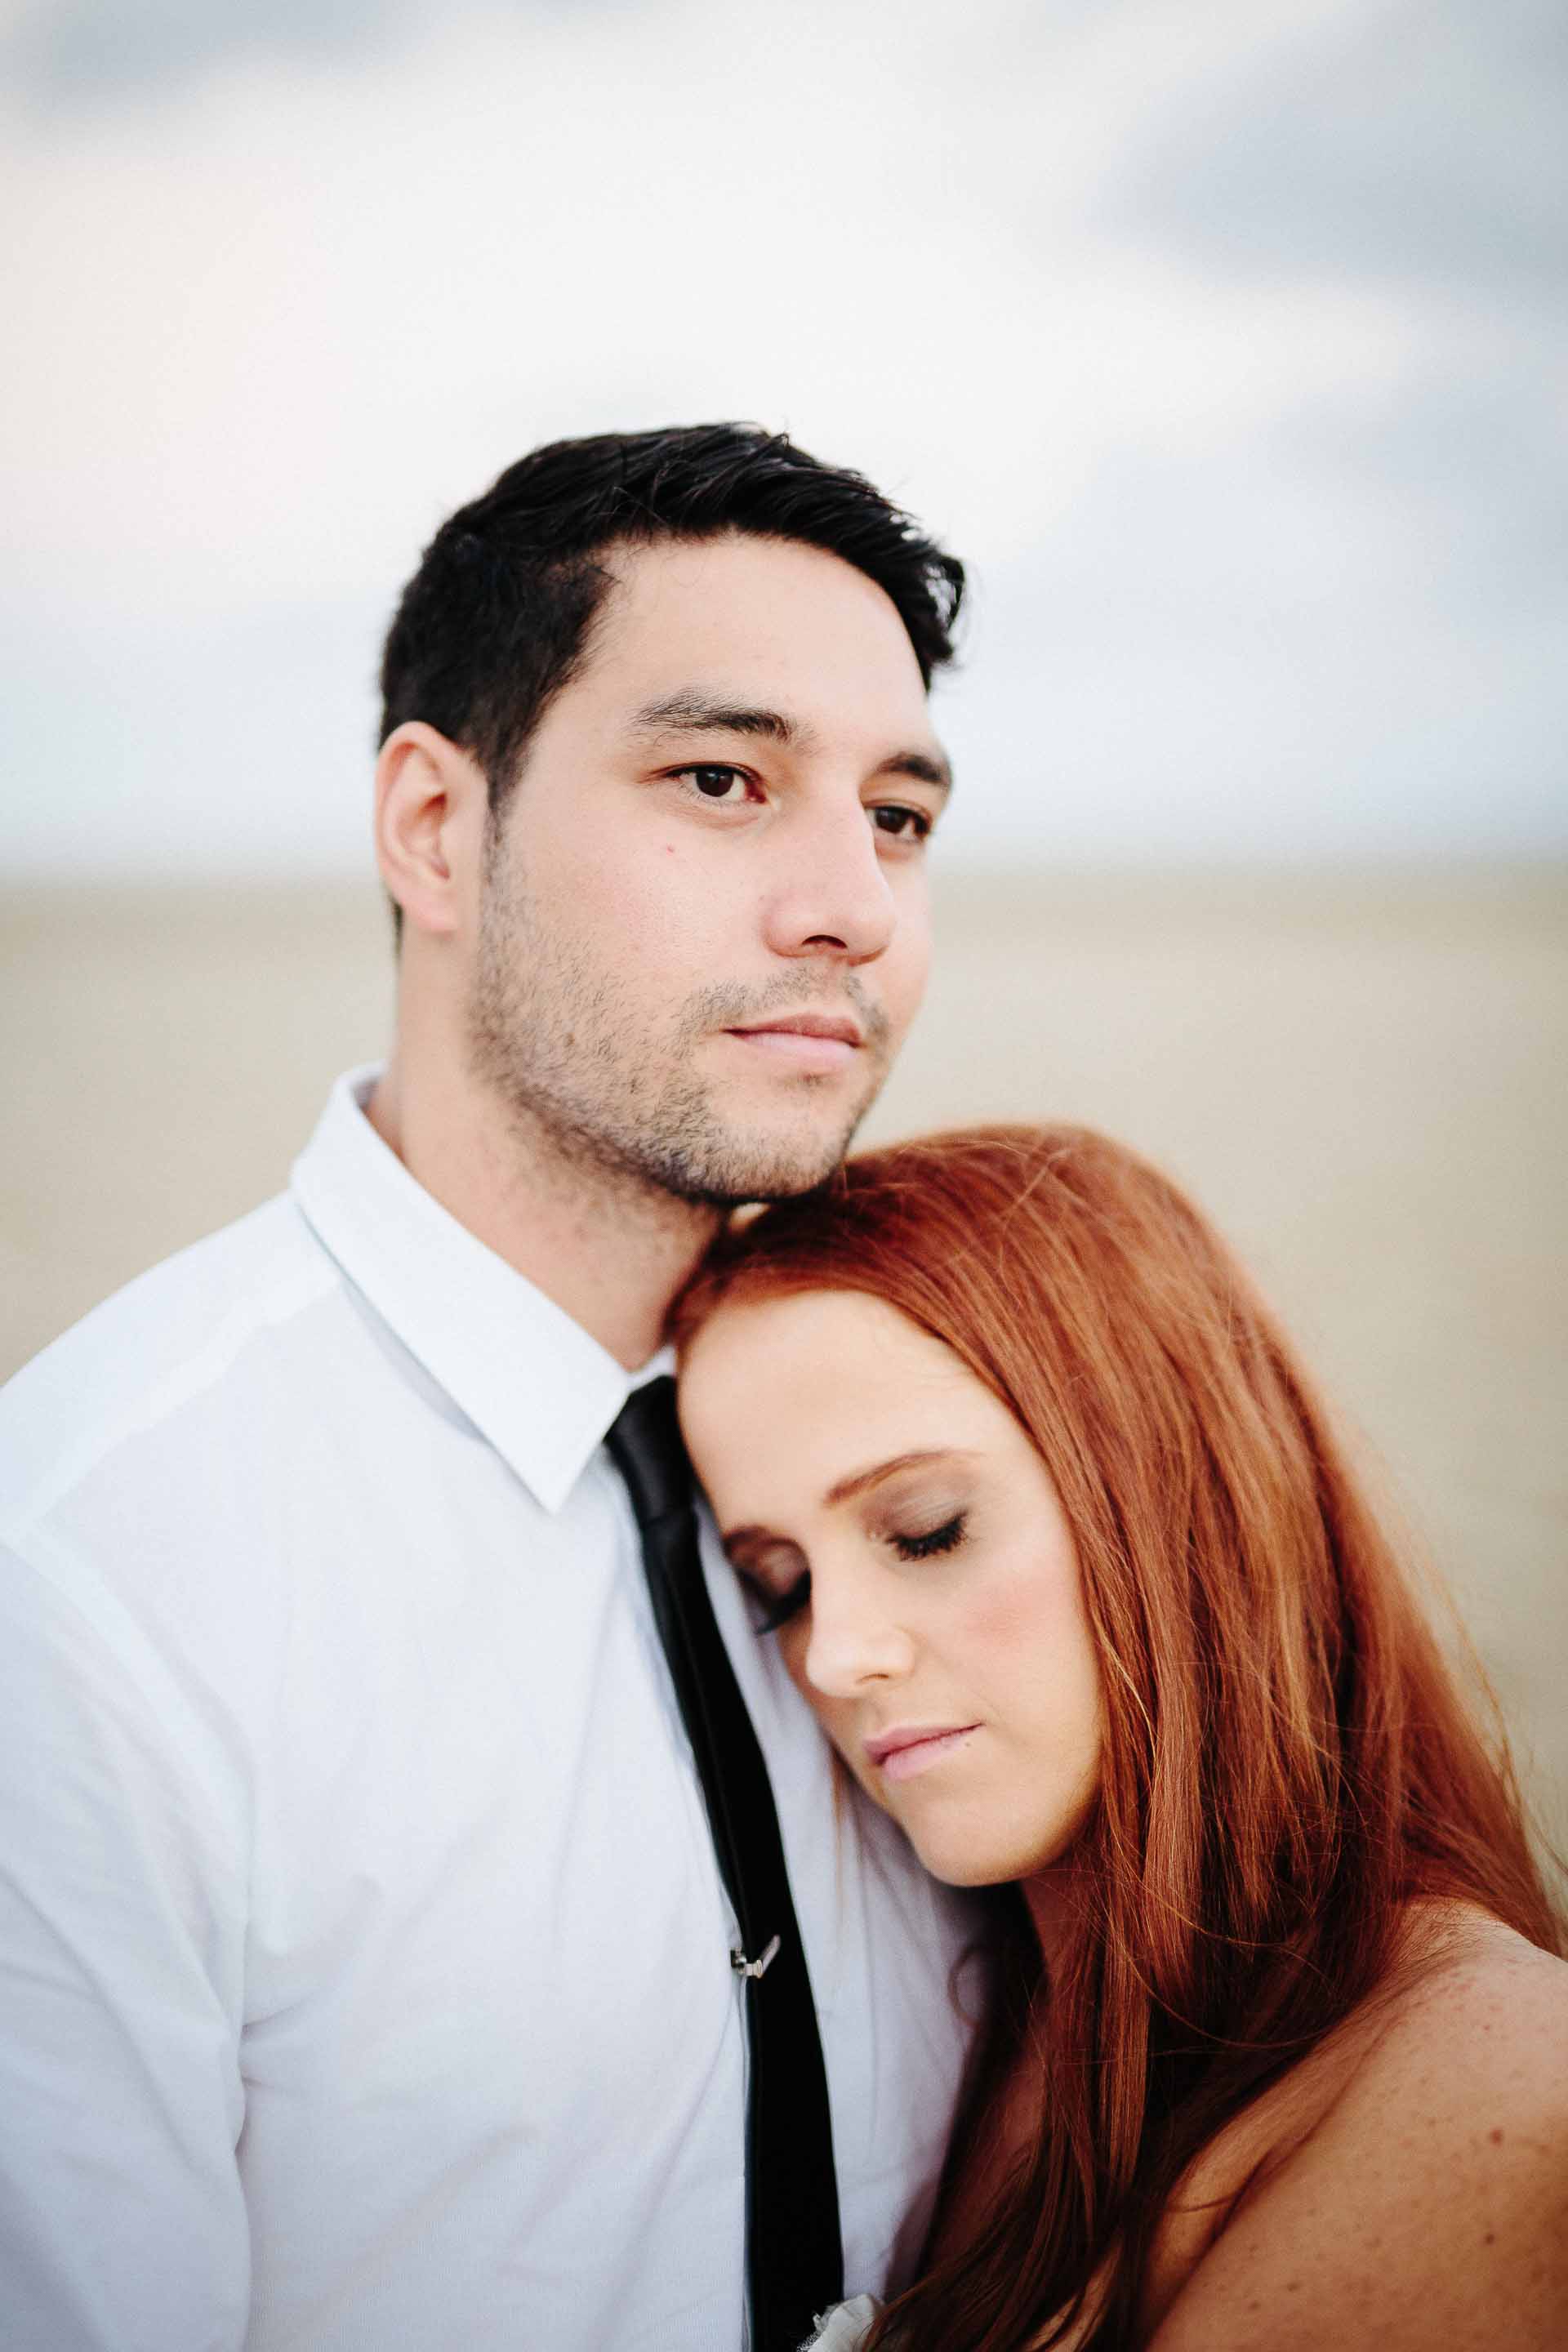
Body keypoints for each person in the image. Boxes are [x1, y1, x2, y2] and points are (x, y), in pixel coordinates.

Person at [0, 425, 981, 2352]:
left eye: (897, 817)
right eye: (723, 779)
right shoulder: (89, 1582)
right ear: (437, 831)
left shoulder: (962, 1439)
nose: (851, 904)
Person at [675, 1123, 1568, 2352]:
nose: (836, 1655)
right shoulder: (966, 2022)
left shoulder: (1503, 2090)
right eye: (779, 1583)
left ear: (1173, 1486)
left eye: (925, 1529)